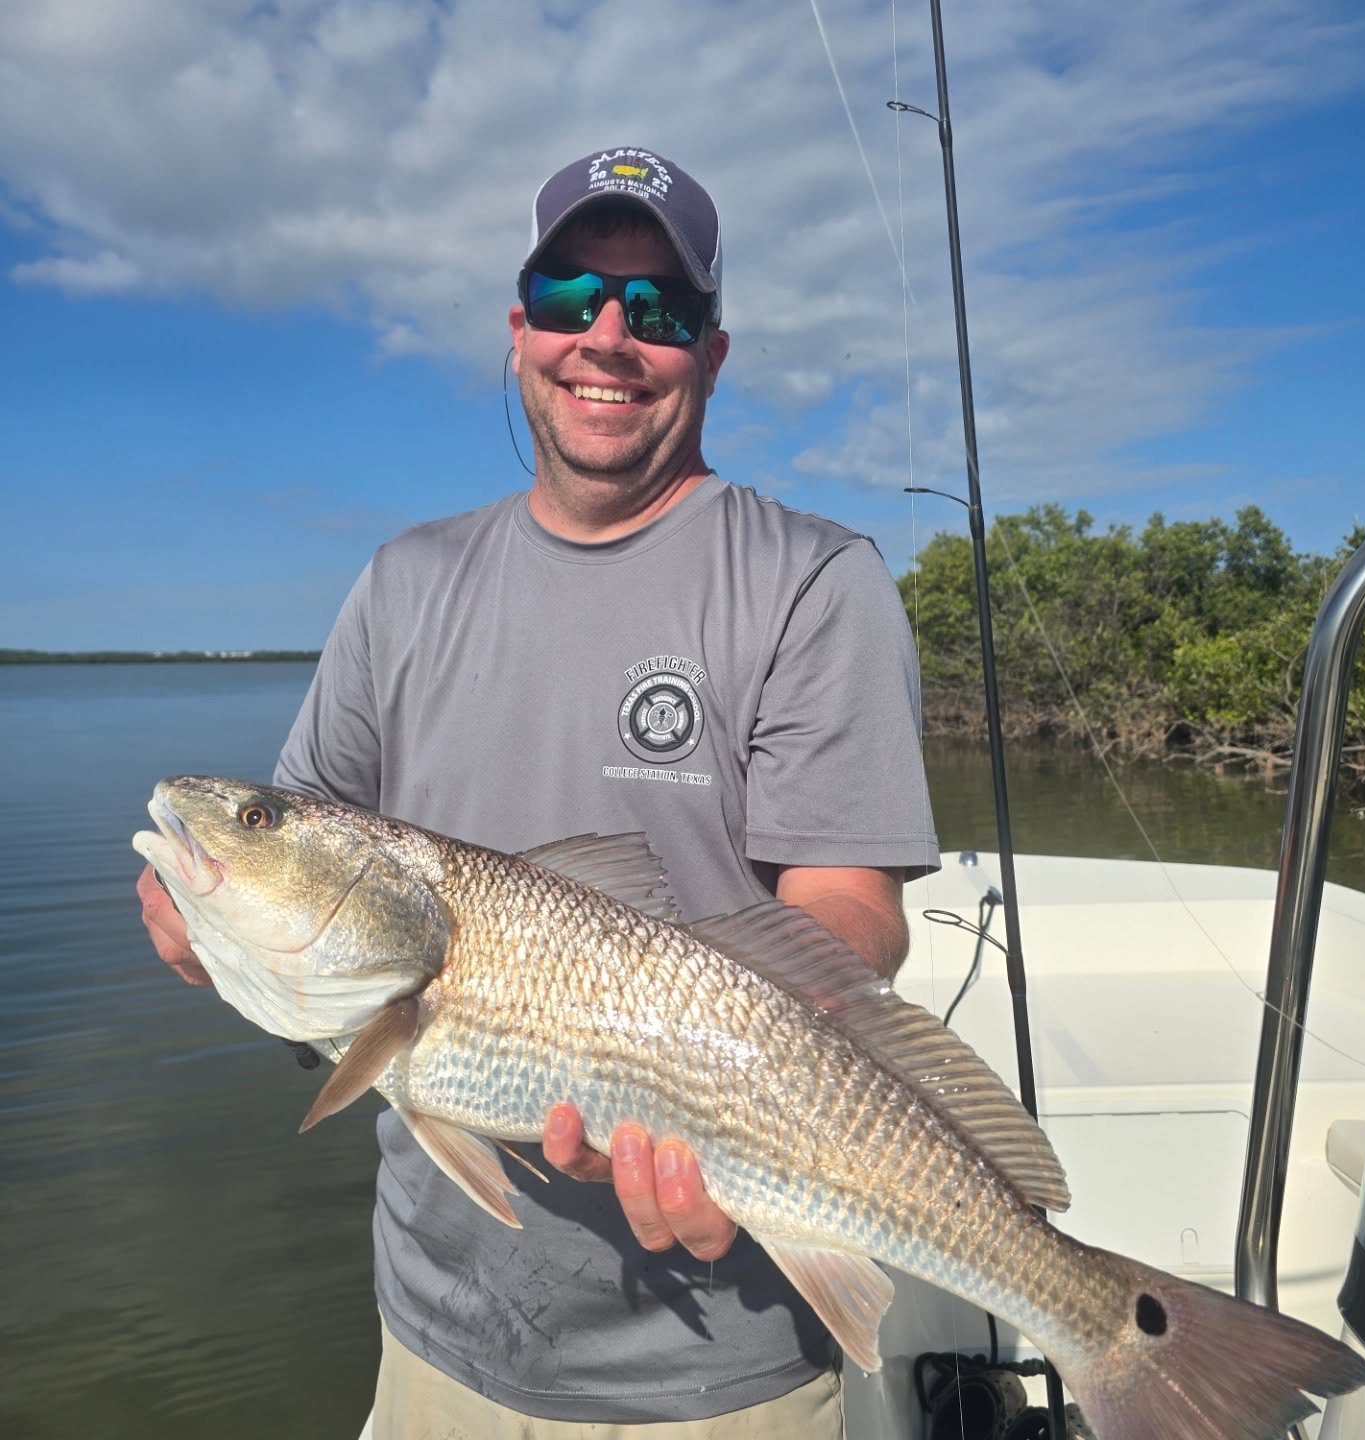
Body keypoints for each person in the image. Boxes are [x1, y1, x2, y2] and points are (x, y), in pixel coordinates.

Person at [138, 145, 938, 1438]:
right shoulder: (403, 583)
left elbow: (850, 899)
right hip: (438, 1338)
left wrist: (743, 1085)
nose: (607, 337)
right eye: (572, 298)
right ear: (521, 332)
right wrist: (212, 931)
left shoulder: (813, 577)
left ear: (712, 352)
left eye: (658, 309)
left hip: (726, 1360)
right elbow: (333, 951)